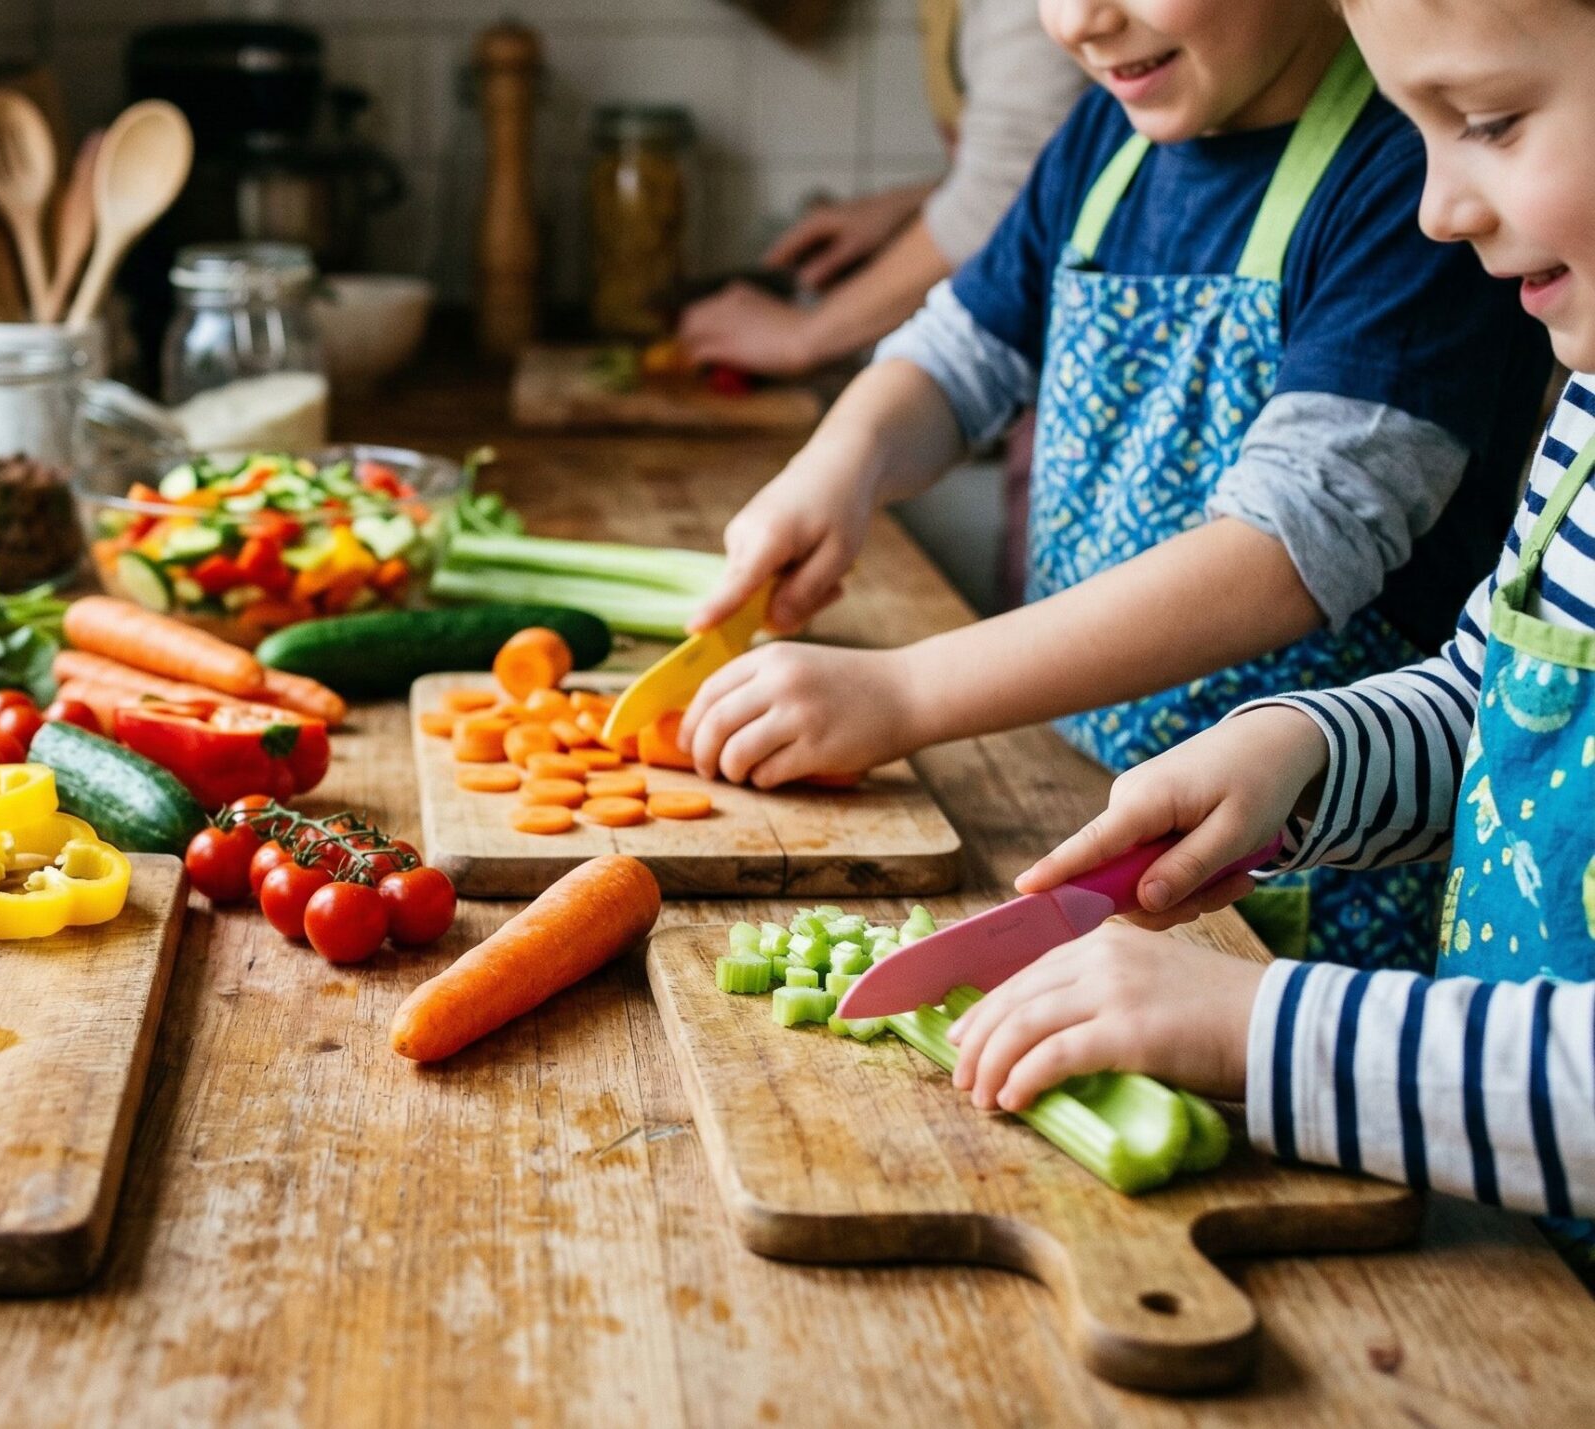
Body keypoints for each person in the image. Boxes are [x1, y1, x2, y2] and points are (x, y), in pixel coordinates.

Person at [680, 0, 1553, 973]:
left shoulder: (1404, 181)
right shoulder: (1110, 133)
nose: (1076, 22)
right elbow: (957, 355)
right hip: (1076, 799)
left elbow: (1283, 554)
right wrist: (840, 467)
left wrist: (902, 688)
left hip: (1293, 884)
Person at [951, 0, 1595, 1257]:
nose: (1437, 209)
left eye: (1489, 124)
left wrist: (1263, 1027)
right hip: (1524, 1244)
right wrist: (1301, 752)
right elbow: (1498, 702)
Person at [677, 0, 1088, 377]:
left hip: (1065, 356)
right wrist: (909, 206)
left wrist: (803, 335)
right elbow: (1041, 163)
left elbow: (1009, 192)